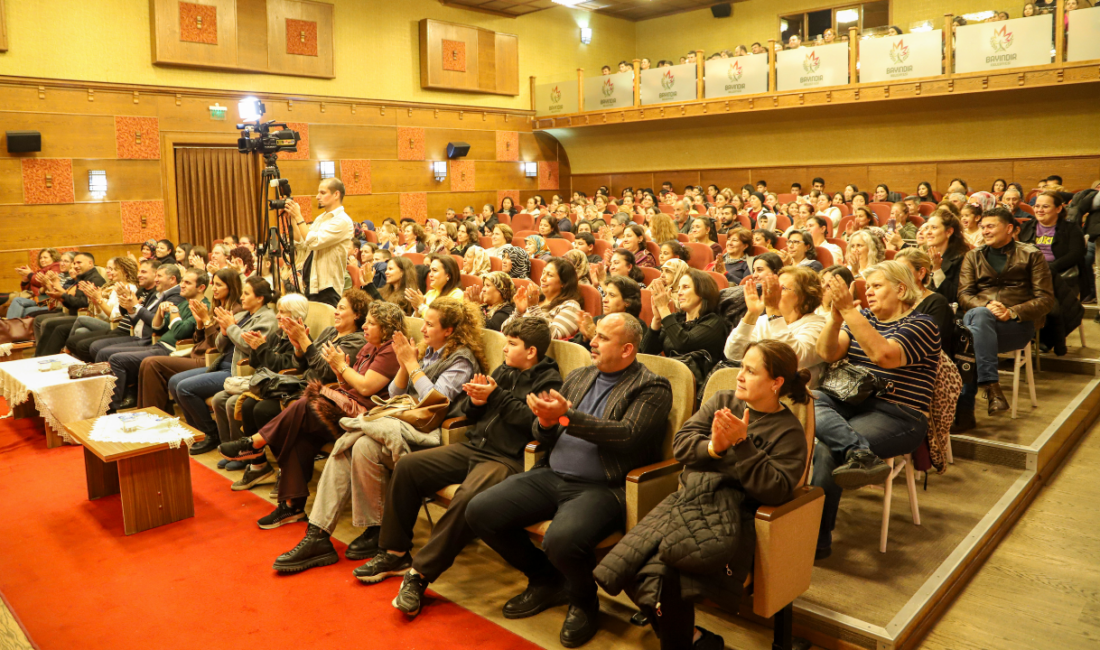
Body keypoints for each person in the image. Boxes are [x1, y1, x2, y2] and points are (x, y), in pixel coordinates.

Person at [325, 319, 563, 618]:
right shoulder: (503, 370)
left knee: (467, 497)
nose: (504, 347)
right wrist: (476, 402)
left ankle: (419, 575)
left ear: (531, 352)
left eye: (512, 344)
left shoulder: (548, 381)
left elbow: (534, 424)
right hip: (474, 446)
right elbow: (473, 414)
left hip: (506, 459)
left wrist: (494, 396)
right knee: (409, 465)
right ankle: (395, 552)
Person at [466, 313, 672, 649]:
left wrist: (565, 416)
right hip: (552, 473)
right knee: (480, 511)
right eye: (597, 335)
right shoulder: (579, 376)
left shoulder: (651, 386)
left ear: (627, 349)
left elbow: (628, 436)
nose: (592, 341)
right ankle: (546, 580)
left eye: (604, 338)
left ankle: (583, 599)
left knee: (561, 541)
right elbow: (542, 433)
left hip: (604, 487)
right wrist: (546, 423)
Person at [595, 339, 810, 650]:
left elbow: (775, 490)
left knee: (668, 578)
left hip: (735, 519)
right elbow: (683, 444)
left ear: (776, 383)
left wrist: (742, 444)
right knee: (624, 566)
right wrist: (714, 447)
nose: (739, 375)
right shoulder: (724, 400)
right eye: (741, 367)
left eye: (750, 371)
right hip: (688, 502)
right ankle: (693, 638)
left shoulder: (787, 431)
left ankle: (679, 641)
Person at [812, 262, 942, 559]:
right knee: (805, 400)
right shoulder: (863, 317)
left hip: (898, 414)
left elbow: (884, 356)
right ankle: (859, 452)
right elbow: (827, 353)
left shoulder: (922, 324)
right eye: (866, 286)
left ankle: (816, 540)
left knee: (827, 450)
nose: (868, 292)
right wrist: (835, 319)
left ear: (900, 288)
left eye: (876, 286)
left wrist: (849, 313)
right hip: (850, 403)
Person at [225, 291, 370, 481]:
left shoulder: (356, 340)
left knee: (263, 410)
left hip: (323, 392)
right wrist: (299, 349)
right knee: (248, 405)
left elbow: (326, 372)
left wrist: (304, 341)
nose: (335, 312)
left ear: (357, 314)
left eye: (341, 308)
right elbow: (303, 364)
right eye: (337, 307)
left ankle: (284, 469)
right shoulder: (330, 332)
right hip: (302, 383)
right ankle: (258, 464)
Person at [954, 207, 1055, 429]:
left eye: (990, 226)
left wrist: (1012, 312)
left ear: (1009, 228)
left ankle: (964, 411)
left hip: (1014, 327)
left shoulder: (1031, 255)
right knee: (978, 319)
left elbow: (1046, 299)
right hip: (980, 320)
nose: (985, 231)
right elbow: (964, 295)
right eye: (982, 227)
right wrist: (987, 305)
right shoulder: (973, 255)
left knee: (966, 339)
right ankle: (992, 388)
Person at [175, 277, 277, 453]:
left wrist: (230, 328)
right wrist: (223, 332)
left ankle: (210, 434)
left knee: (184, 388)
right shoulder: (241, 315)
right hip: (222, 363)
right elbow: (220, 347)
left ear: (260, 298)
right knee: (174, 381)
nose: (242, 297)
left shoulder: (267, 319)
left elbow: (249, 347)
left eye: (246, 294)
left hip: (238, 370)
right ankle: (199, 432)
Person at [103, 269, 208, 411]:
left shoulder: (202, 306)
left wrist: (173, 311)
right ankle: (135, 409)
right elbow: (157, 328)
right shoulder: (184, 303)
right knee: (107, 354)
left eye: (187, 283)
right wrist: (159, 311)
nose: (182, 285)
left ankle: (110, 409)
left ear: (201, 288)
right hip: (159, 344)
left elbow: (180, 332)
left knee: (117, 359)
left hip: (175, 350)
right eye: (182, 281)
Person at [727, 266, 827, 383]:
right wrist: (752, 314)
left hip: (792, 396)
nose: (772, 292)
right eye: (774, 287)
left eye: (782, 288)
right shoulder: (764, 321)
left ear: (803, 296)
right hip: (758, 389)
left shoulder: (819, 324)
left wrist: (773, 311)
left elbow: (791, 360)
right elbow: (733, 353)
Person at [1018, 191, 1085, 356]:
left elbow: (1076, 253)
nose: (1040, 210)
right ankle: (1044, 337)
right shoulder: (1027, 227)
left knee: (1047, 288)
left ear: (1058, 208)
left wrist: (1050, 268)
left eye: (1045, 206)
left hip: (1062, 274)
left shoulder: (1070, 228)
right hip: (1032, 275)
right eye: (1037, 206)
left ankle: (1047, 337)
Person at [642, 268, 727, 366]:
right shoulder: (678, 319)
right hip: (670, 374)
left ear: (702, 291)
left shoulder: (713, 323)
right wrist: (657, 319)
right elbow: (646, 352)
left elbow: (683, 344)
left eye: (685, 287)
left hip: (695, 379)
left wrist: (663, 308)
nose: (679, 293)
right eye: (679, 288)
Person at [505, 257, 584, 340]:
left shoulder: (570, 306)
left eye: (550, 275)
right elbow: (505, 329)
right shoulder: (537, 300)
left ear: (563, 283)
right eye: (543, 273)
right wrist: (519, 312)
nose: (542, 278)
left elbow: (555, 336)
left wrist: (533, 308)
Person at [895, 248, 955, 352]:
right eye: (895, 271)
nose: (896, 276)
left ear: (921, 273)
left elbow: (931, 343)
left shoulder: (937, 303)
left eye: (903, 271)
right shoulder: (893, 300)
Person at [574, 276, 646, 349]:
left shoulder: (636, 327)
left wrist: (595, 336)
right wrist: (584, 338)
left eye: (612, 295)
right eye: (605, 294)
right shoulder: (596, 320)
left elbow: (626, 356)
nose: (604, 300)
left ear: (627, 301)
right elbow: (573, 352)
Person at [924, 210, 970, 304]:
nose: (928, 232)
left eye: (934, 228)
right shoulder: (922, 256)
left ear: (949, 232)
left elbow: (953, 296)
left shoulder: (962, 258)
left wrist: (937, 270)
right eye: (927, 228)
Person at [407, 253, 464, 318]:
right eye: (430, 270)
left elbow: (440, 320)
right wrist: (417, 310)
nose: (430, 274)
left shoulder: (457, 294)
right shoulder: (430, 293)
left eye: (435, 270)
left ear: (448, 275)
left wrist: (421, 305)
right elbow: (416, 322)